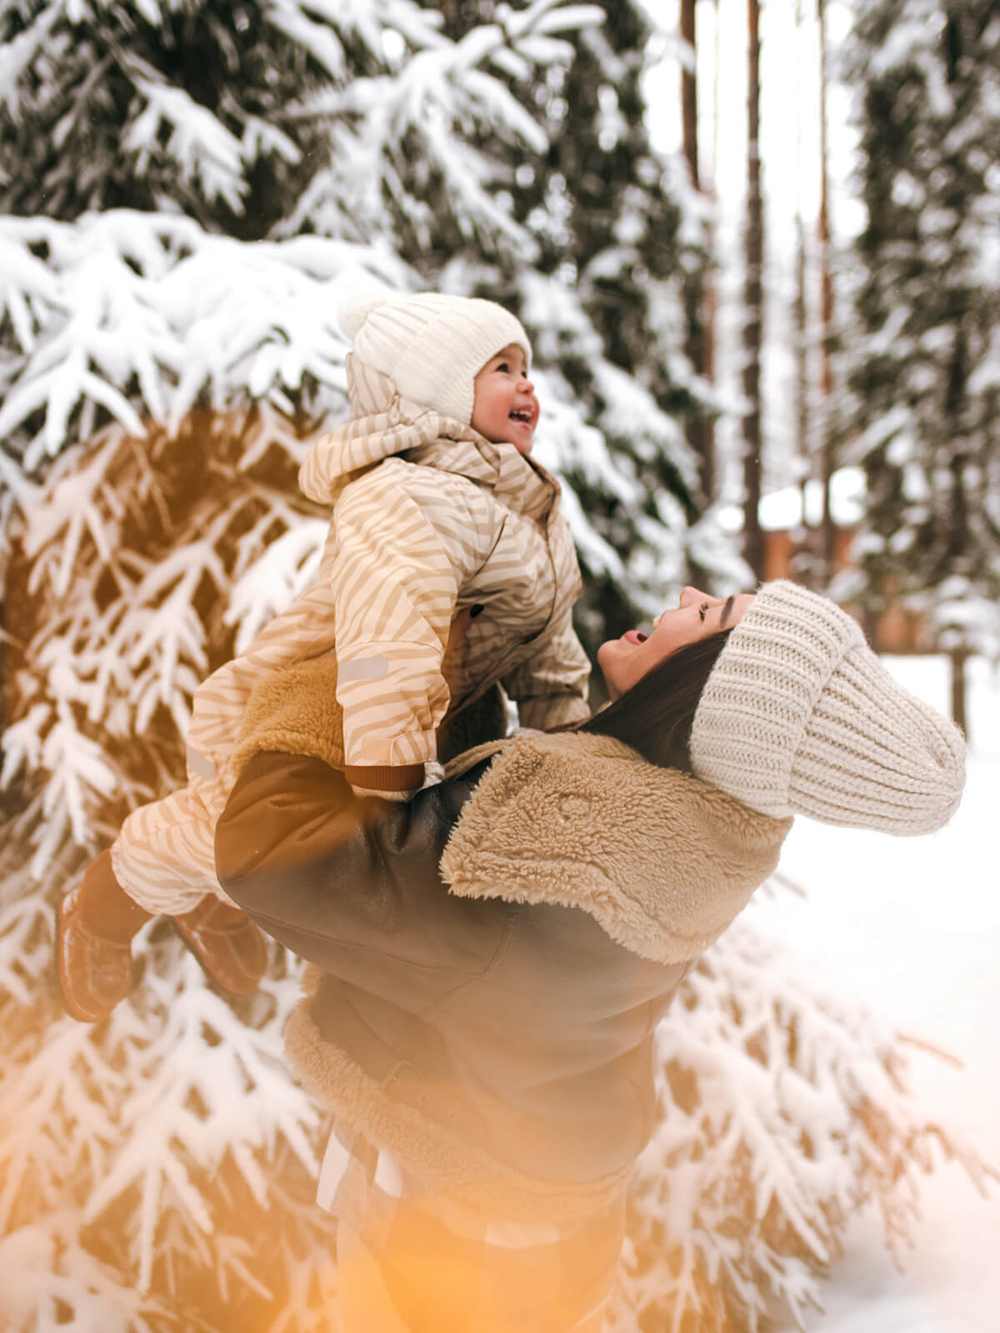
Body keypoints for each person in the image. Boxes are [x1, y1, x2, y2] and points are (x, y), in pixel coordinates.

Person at [212, 580, 966, 1333]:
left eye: (707, 615)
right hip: (531, 1219)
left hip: (449, 1242)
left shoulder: (570, 840)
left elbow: (272, 852)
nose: (685, 592)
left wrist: (345, 669)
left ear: (707, 699)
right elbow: (446, 869)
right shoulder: (688, 820)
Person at [56, 292, 592, 1022]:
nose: (528, 384)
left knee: (296, 857)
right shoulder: (404, 494)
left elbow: (546, 645)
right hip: (324, 705)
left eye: (528, 367)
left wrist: (573, 749)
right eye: (502, 366)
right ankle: (106, 897)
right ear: (435, 387)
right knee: (249, 836)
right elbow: (386, 637)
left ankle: (216, 895)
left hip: (421, 718)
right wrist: (390, 782)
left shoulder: (529, 515)